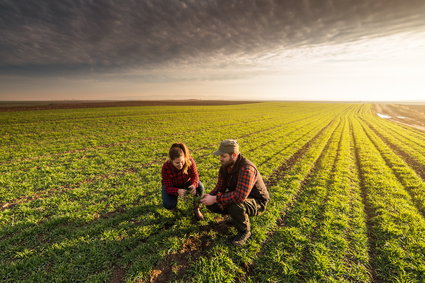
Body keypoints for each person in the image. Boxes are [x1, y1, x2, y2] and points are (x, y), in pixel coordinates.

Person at [201, 139, 269, 246]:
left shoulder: (247, 169)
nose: (220, 159)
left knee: (235, 204)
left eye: (223, 156)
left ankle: (244, 231)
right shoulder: (224, 167)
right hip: (240, 196)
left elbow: (239, 196)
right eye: (220, 156)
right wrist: (209, 196)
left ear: (234, 155)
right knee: (212, 204)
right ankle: (235, 218)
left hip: (257, 201)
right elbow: (220, 187)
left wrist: (215, 198)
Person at [162, 142, 204, 220]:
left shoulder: (190, 161)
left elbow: (195, 176)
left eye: (182, 161)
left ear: (185, 157)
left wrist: (193, 185)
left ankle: (196, 208)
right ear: (171, 161)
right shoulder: (166, 167)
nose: (180, 165)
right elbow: (167, 187)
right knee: (168, 204)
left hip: (186, 182)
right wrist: (177, 191)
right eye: (177, 163)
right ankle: (174, 210)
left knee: (200, 187)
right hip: (173, 185)